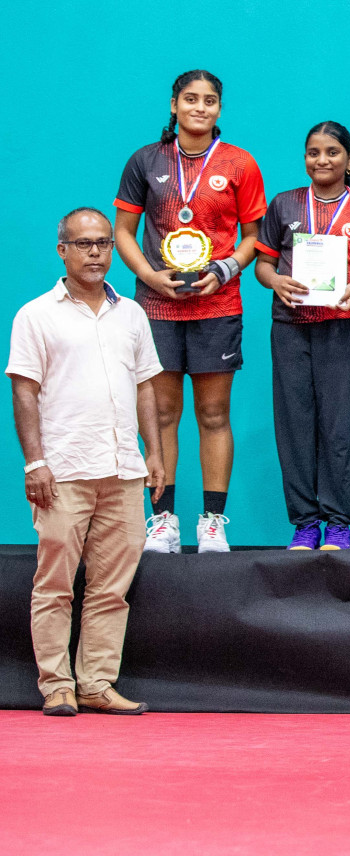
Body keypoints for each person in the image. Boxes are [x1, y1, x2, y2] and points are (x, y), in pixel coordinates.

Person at [9, 208, 166, 715]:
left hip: (123, 470)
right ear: (63, 250)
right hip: (64, 470)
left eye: (102, 243)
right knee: (54, 585)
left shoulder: (132, 315)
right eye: (83, 244)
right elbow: (24, 392)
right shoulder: (36, 314)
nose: (96, 252)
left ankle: (96, 683)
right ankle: (56, 685)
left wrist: (154, 453)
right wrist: (35, 463)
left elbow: (146, 386)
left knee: (111, 589)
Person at [114, 69, 266, 554]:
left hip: (217, 306)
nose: (200, 107)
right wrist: (150, 276)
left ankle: (213, 522)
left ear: (219, 109)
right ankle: (162, 521)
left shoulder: (240, 164)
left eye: (210, 101)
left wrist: (225, 270)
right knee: (160, 414)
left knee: (214, 413)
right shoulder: (145, 160)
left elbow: (254, 239)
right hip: (156, 306)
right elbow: (123, 232)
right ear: (174, 104)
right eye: (191, 99)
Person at [254, 122, 350, 550]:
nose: (321, 160)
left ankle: (338, 522)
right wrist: (276, 282)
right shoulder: (284, 203)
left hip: (342, 326)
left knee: (339, 427)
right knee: (294, 425)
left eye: (331, 152)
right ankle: (305, 523)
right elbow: (262, 265)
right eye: (313, 152)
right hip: (289, 326)